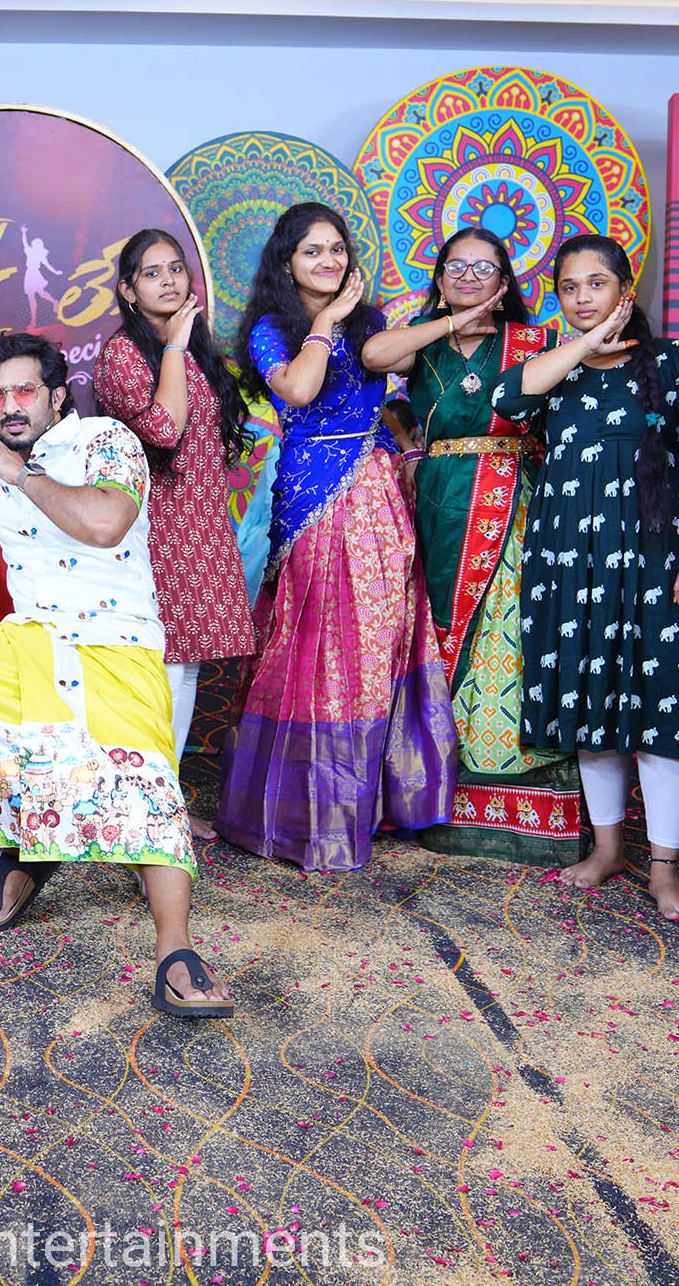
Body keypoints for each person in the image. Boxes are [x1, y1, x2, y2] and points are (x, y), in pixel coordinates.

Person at [0, 333, 233, 1018]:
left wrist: (20, 474)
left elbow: (107, 521)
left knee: (147, 786)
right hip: (35, 640)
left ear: (57, 395)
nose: (9, 405)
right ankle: (34, 840)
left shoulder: (105, 440)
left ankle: (174, 949)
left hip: (118, 644)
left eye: (24, 390)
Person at [217, 202, 453, 872]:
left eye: (337, 249)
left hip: (377, 492)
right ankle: (308, 812)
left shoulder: (371, 324)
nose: (329, 260)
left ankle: (369, 803)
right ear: (286, 261)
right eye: (313, 251)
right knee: (320, 643)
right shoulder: (272, 329)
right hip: (313, 498)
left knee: (377, 642)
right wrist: (324, 323)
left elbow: (393, 393)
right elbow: (298, 391)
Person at [493, 234, 679, 921]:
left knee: (660, 707)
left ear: (626, 288)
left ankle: (664, 867)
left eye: (597, 283)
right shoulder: (557, 366)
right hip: (570, 556)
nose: (583, 296)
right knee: (591, 701)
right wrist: (584, 347)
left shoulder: (675, 360)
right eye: (569, 287)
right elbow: (507, 399)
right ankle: (607, 848)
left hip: (657, 555)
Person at [367, 226, 578, 866]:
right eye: (455, 267)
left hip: (515, 500)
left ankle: (522, 797)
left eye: (484, 268)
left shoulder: (534, 342)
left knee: (510, 631)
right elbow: (375, 359)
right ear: (438, 279)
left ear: (505, 281)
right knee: (435, 632)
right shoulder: (421, 342)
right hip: (438, 501)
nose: (468, 277)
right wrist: (451, 322)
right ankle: (433, 793)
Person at [94, 230, 255, 842]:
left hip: (201, 520)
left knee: (183, 667)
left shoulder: (194, 348)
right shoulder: (124, 353)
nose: (168, 280)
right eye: (151, 272)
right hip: (155, 525)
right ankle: (148, 807)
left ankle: (167, 802)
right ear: (128, 290)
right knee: (159, 665)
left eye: (176, 268)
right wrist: (174, 348)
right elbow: (162, 430)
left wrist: (184, 348)